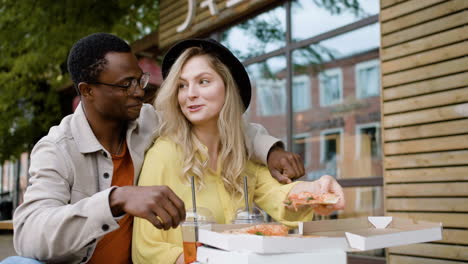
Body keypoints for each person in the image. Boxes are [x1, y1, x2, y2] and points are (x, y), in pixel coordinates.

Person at [7, 33, 306, 264]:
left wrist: (270, 150)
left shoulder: (147, 119)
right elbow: (29, 234)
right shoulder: (56, 150)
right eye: (126, 85)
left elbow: (220, 123)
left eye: (140, 80)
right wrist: (116, 199)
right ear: (88, 91)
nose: (139, 92)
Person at [132, 39, 345, 264]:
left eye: (203, 82)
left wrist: (317, 190)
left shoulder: (240, 156)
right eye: (182, 85)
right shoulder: (164, 154)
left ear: (228, 86)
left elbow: (281, 196)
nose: (190, 94)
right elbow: (146, 249)